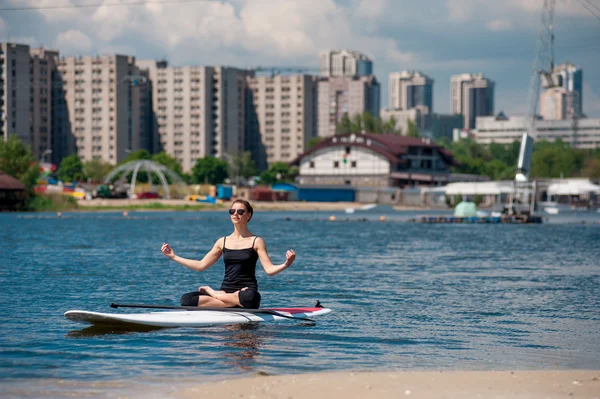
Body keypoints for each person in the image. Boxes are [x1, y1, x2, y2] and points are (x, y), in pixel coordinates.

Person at [160, 199, 295, 309]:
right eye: (232, 211)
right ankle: (230, 302)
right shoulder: (222, 241)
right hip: (227, 292)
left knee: (251, 297)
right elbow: (201, 265)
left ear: (248, 216)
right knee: (187, 299)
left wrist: (285, 264)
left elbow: (269, 270)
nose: (235, 214)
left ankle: (218, 296)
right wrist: (174, 256)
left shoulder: (256, 241)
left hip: (246, 294)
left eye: (240, 211)